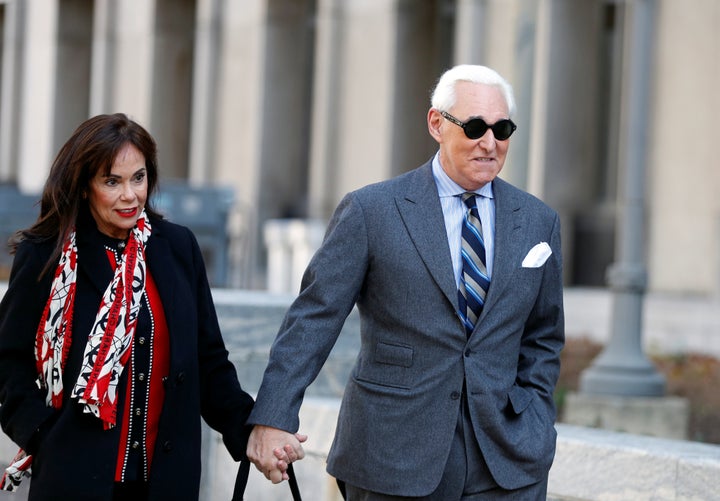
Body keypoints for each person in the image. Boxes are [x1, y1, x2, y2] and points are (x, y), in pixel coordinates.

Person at [246, 64, 565, 500]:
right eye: (474, 127)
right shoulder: (371, 210)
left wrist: (533, 412)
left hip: (508, 461)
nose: (490, 143)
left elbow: (544, 335)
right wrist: (273, 415)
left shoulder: (537, 221)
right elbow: (314, 318)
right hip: (390, 458)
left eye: (502, 128)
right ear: (437, 123)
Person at [0, 113, 258, 500]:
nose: (130, 195)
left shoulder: (177, 248)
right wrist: (43, 434)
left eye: (138, 178)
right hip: (74, 481)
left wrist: (250, 429)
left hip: (166, 484)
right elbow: (7, 360)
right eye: (112, 181)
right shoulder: (47, 255)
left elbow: (207, 361)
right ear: (85, 186)